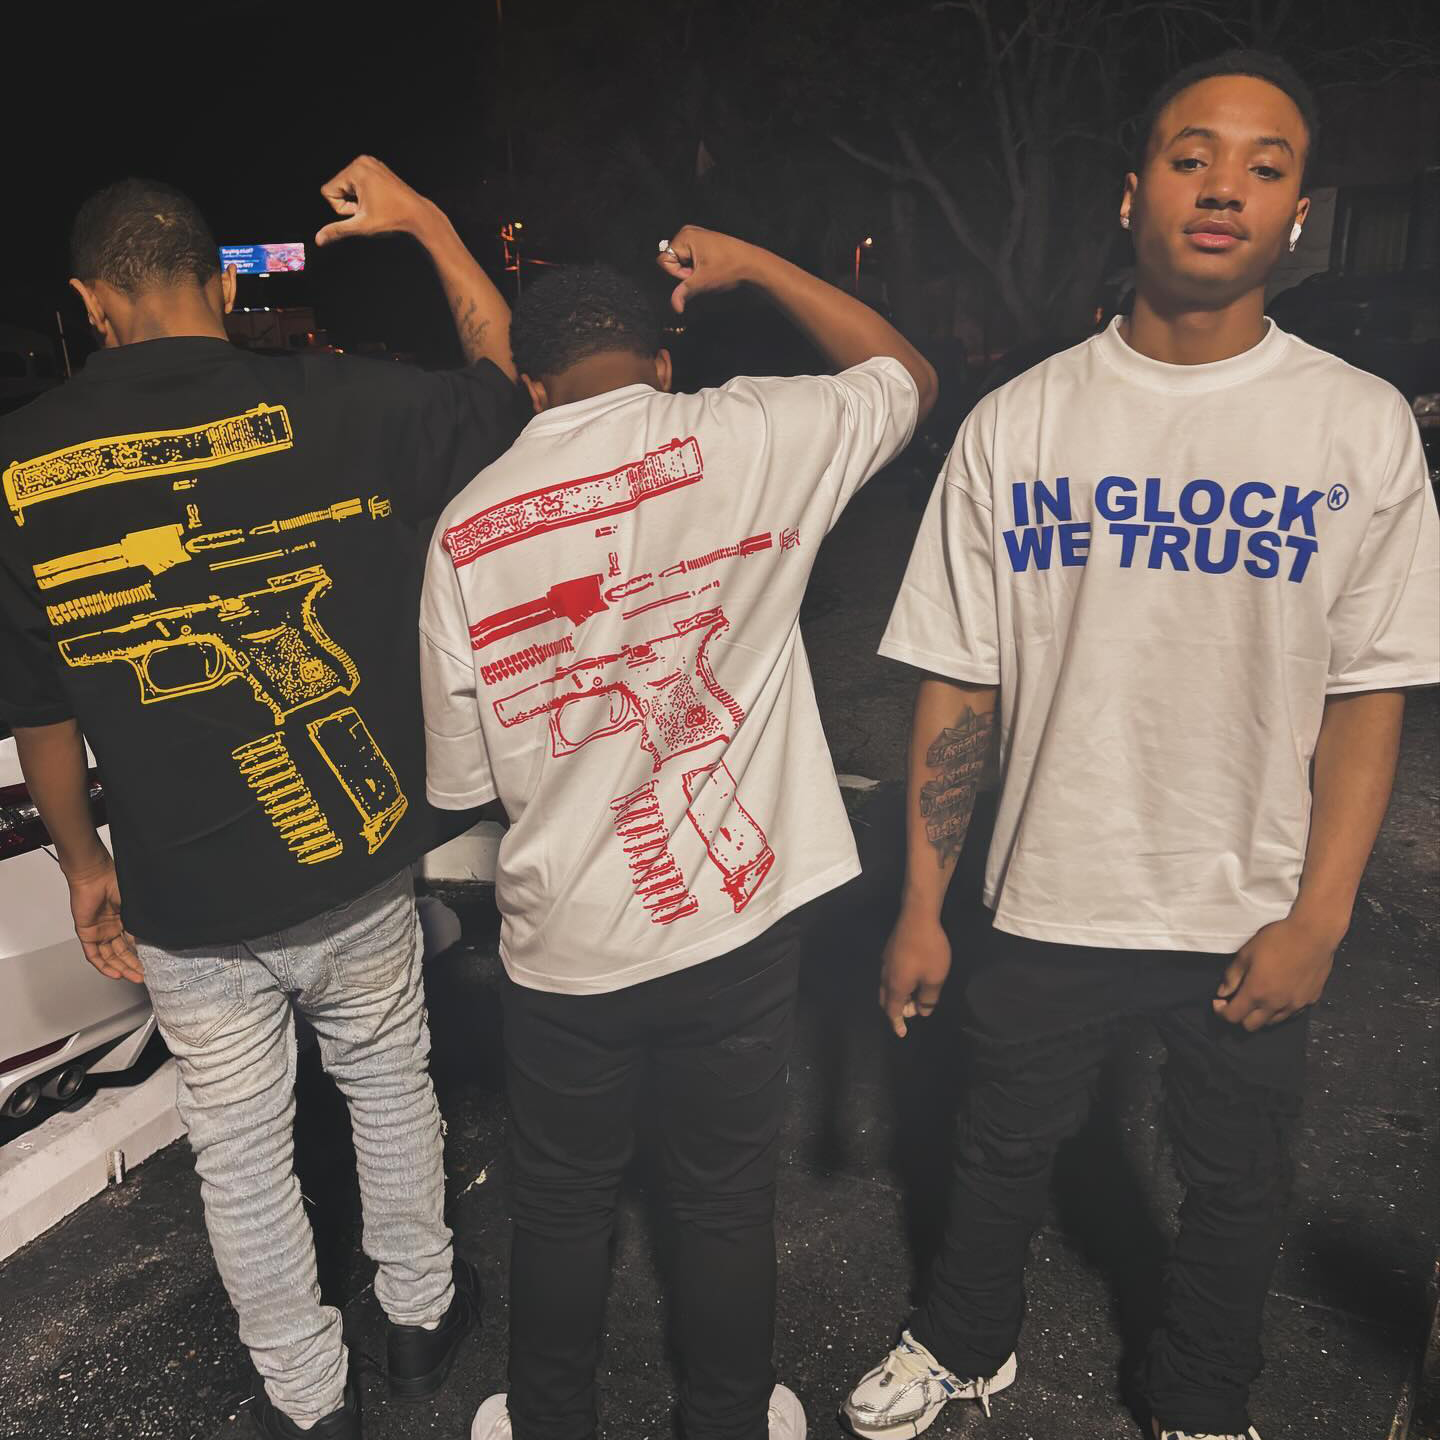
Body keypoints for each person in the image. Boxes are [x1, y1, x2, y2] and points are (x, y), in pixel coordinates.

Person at [841, 50, 1439, 1440]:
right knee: (997, 1142)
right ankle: (966, 1340)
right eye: (1191, 155)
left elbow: (1369, 697)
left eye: (1265, 166)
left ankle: (1202, 1401)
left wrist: (1319, 920)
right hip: (1053, 885)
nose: (1225, 185)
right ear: (1131, 194)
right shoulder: (1019, 422)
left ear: (1299, 217)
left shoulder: (1355, 426)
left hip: (1246, 900)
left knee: (1236, 1179)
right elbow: (961, 682)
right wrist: (924, 903)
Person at [0, 157, 522, 1439]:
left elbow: (40, 710)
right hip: (359, 870)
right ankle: (419, 1320)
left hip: (186, 902)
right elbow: (508, 383)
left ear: (90, 301)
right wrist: (430, 223)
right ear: (220, 286)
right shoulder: (343, 400)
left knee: (240, 1151)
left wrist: (82, 865)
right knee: (387, 1082)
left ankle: (307, 1395)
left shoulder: (19, 464)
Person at [418, 233, 937, 1440]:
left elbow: (466, 780)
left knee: (561, 1204)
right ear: (660, 362)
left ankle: (551, 1421)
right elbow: (906, 375)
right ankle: (726, 1419)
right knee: (722, 1198)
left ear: (532, 387)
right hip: (733, 931)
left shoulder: (466, 528)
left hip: (565, 946)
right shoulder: (754, 432)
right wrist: (759, 267)